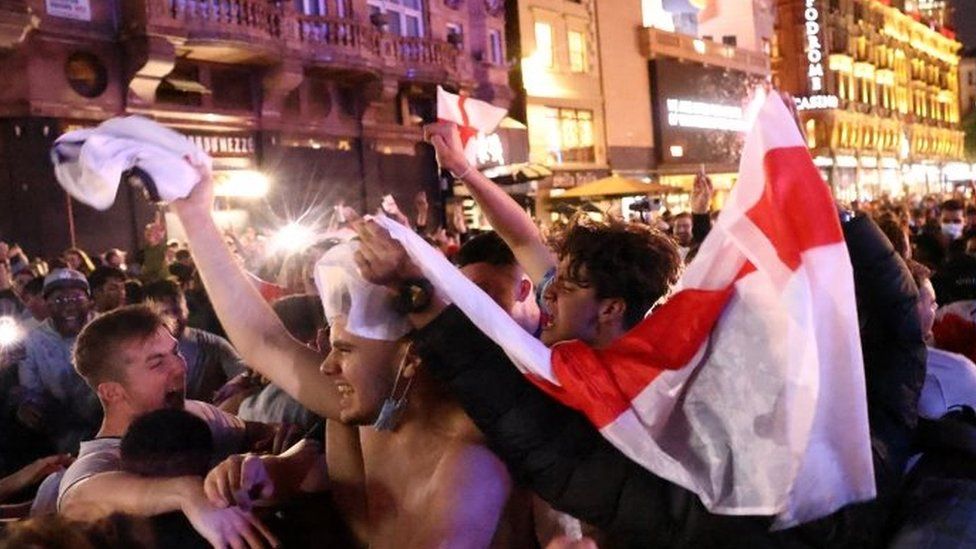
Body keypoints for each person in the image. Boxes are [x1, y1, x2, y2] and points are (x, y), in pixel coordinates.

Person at [352, 122, 924, 546]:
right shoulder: (859, 451)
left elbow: (536, 436)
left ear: (610, 309)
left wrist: (420, 295)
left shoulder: (660, 419)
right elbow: (900, 335)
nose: (546, 294)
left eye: (565, 287)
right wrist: (466, 172)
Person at [172, 161, 532, 548]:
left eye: (344, 350)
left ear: (409, 360)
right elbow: (265, 341)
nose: (326, 363)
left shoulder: (474, 452)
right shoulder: (367, 406)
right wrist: (195, 216)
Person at [57, 305, 279, 549]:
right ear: (112, 391)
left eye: (176, 352)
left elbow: (256, 432)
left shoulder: (195, 412)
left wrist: (275, 442)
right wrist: (187, 493)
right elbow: (77, 498)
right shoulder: (101, 458)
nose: (180, 367)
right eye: (157, 363)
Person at [16, 269, 102, 455]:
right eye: (59, 300)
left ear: (90, 301)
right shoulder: (33, 339)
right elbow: (31, 388)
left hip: (107, 417)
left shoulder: (108, 330)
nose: (69, 307)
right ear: (46, 304)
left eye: (77, 299)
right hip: (61, 423)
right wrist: (30, 405)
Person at [143, 279, 247, 402]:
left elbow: (242, 371)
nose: (174, 319)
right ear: (151, 314)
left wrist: (238, 382)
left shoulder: (212, 345)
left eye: (177, 311)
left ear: (186, 309)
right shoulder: (141, 350)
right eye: (165, 313)